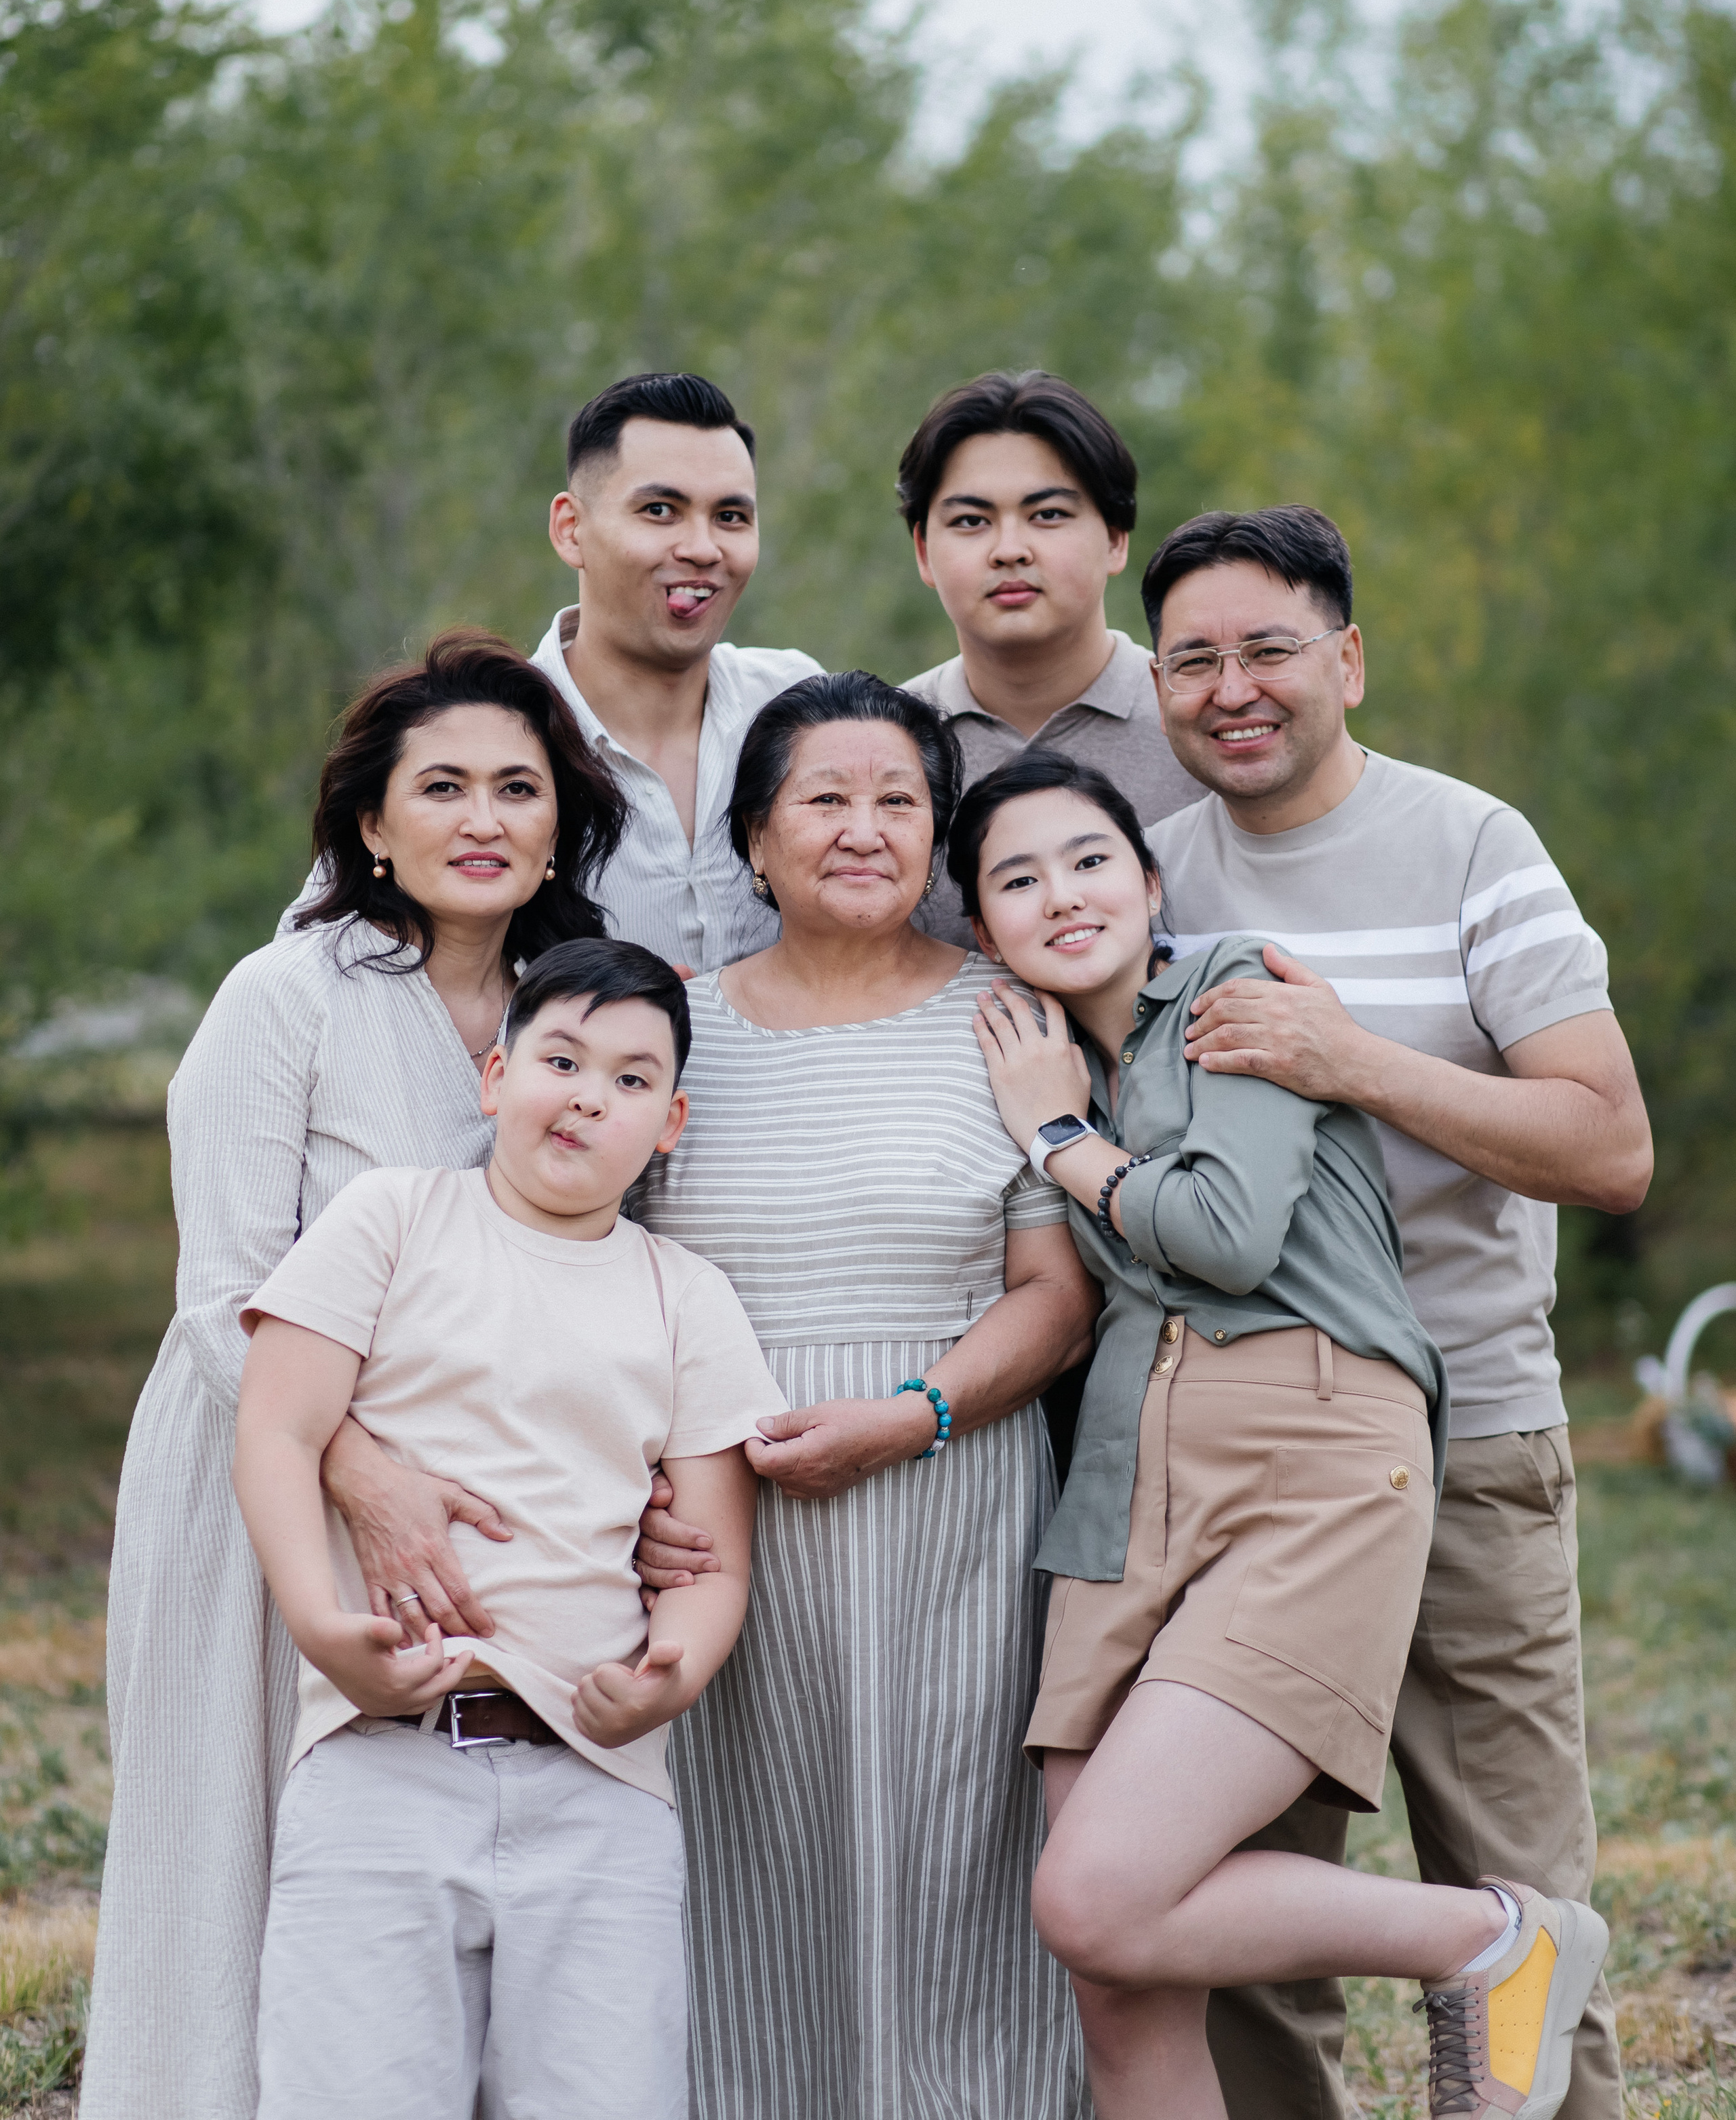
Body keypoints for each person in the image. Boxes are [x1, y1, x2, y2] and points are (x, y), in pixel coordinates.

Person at [949, 749, 1608, 2120]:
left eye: (1088, 861)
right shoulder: (1037, 1054)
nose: (1060, 895)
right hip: (1121, 1490)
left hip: (1308, 1453)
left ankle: (1492, 1938)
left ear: (1150, 884)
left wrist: (1058, 1139)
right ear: (981, 928)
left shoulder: (1231, 992)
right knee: (1117, 1979)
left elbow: (1228, 1235)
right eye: (1017, 879)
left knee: (1096, 1897)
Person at [1141, 506, 1653, 2120]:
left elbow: (1606, 1147)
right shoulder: (1138, 877)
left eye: (1268, 648)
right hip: (1238, 1460)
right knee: (1233, 1913)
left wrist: (1347, 1058)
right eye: (1191, 660)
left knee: (1515, 1895)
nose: (1231, 688)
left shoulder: (1470, 845)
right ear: (1152, 686)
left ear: (1346, 659)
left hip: (1464, 1435)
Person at [81, 633, 629, 2120]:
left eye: (517, 787)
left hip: (498, 1500)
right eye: (441, 787)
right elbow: (224, 1296)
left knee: (439, 1883)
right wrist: (364, 1481)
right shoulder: (287, 997)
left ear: (560, 822)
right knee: (243, 1838)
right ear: (372, 825)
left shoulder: (575, 1015)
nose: (482, 818)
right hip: (266, 1477)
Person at [630, 671, 1099, 2120]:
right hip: (722, 1531)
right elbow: (599, 1278)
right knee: (750, 1874)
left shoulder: (1006, 1022)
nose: (863, 828)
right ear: (753, 840)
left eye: (899, 799)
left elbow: (1055, 1296)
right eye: (823, 798)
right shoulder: (671, 1028)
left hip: (954, 1506)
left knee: (957, 1857)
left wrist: (910, 1415)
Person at [233, 940, 784, 2120]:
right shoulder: (394, 1218)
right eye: (562, 1060)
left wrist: (674, 1674)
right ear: (495, 1078)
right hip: (381, 1761)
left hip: (598, 1780)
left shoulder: (685, 1296)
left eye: (632, 1080)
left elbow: (714, 1559)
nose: (589, 1096)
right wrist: (322, 1627)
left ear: (670, 1124)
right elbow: (276, 1430)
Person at [898, 367, 1204, 951]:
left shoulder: (1201, 721)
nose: (1009, 550)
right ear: (923, 550)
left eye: (1048, 515)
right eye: (971, 522)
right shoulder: (887, 745)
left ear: (1116, 537)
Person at [532, 368, 823, 966]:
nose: (702, 548)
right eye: (661, 510)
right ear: (571, 529)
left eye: (731, 517)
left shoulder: (799, 705)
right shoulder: (490, 734)